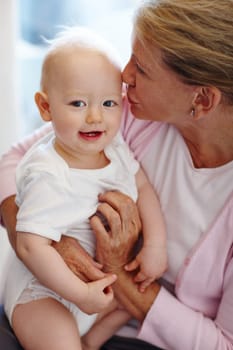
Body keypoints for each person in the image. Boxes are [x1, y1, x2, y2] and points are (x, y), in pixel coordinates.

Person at [1, 0, 233, 349]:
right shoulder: (123, 113)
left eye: (141, 67)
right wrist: (46, 240)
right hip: (53, 297)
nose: (124, 75)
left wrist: (119, 271)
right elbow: (14, 160)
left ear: (202, 99)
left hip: (147, 335)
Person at [1, 26, 167, 350]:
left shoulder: (116, 146)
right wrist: (80, 296)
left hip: (100, 290)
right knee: (59, 337)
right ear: (46, 108)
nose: (95, 117)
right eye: (77, 103)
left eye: (108, 103)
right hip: (44, 292)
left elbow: (143, 187)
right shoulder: (47, 172)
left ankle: (90, 340)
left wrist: (156, 246)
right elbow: (30, 247)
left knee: (134, 298)